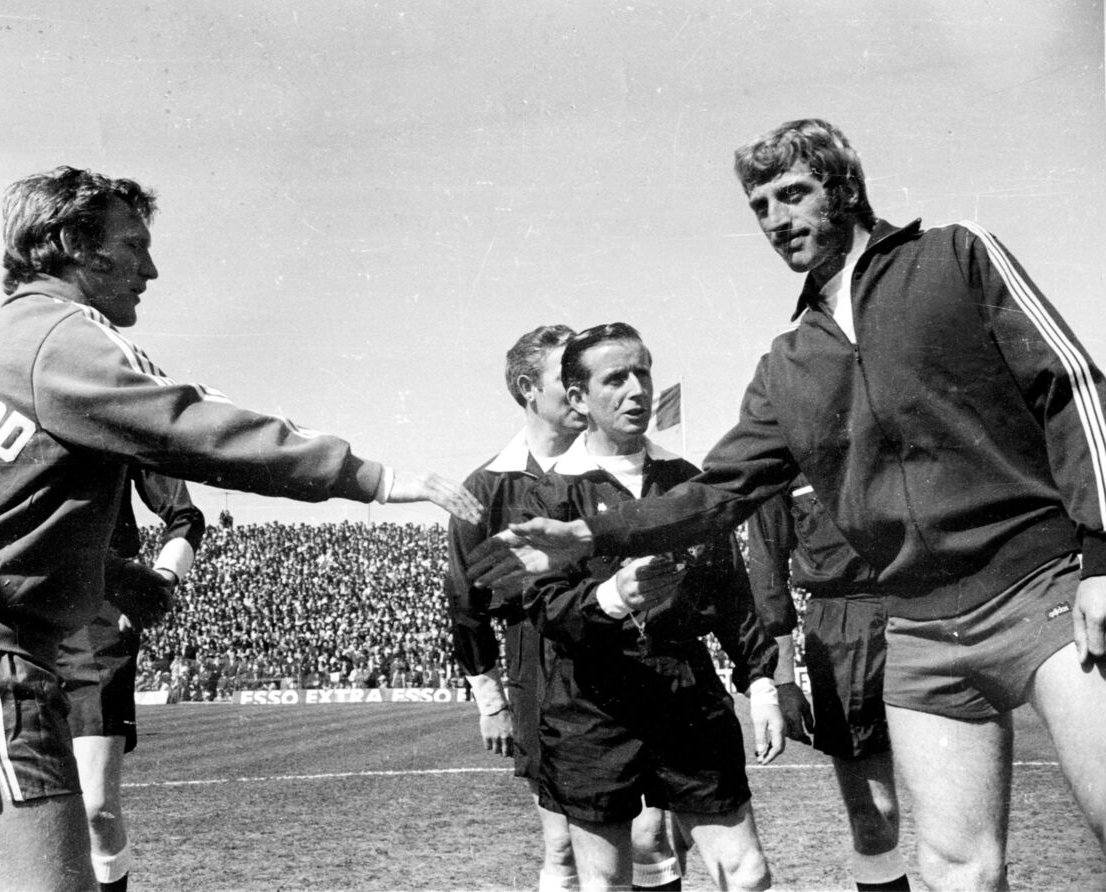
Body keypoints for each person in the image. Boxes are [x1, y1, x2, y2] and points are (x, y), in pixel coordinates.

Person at [469, 119, 1106, 890]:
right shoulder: (788, 361)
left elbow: (1071, 384)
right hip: (919, 629)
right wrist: (592, 529)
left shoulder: (956, 255)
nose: (776, 220)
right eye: (761, 205)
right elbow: (719, 490)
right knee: (954, 870)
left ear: (844, 188)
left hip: (1043, 589)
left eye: (793, 194)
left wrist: (1102, 558)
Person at [0, 165, 481, 892]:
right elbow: (197, 426)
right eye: (133, 245)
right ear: (71, 246)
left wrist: (107, 575)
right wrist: (372, 478)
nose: (150, 268)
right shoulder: (68, 336)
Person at [521, 322, 784, 892]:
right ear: (577, 398)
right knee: (605, 881)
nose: (637, 389)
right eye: (616, 378)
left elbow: (731, 597)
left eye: (643, 372)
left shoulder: (687, 483)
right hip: (592, 701)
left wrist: (760, 682)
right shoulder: (547, 494)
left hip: (685, 693)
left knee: (746, 873)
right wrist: (612, 599)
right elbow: (542, 607)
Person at [447, 324, 685, 892]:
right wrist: (490, 701)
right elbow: (466, 603)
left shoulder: (623, 473)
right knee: (562, 846)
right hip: (539, 666)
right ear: (531, 388)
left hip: (627, 660)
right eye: (565, 374)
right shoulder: (486, 488)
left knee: (651, 836)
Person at [747, 475, 909, 891]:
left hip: (929, 605)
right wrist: (783, 681)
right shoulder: (780, 446)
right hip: (844, 627)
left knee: (962, 818)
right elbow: (767, 571)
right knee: (874, 815)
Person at [58, 469, 205, 892]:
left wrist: (160, 581)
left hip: (99, 610)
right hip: (21, 604)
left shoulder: (122, 415)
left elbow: (184, 513)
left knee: (96, 807)